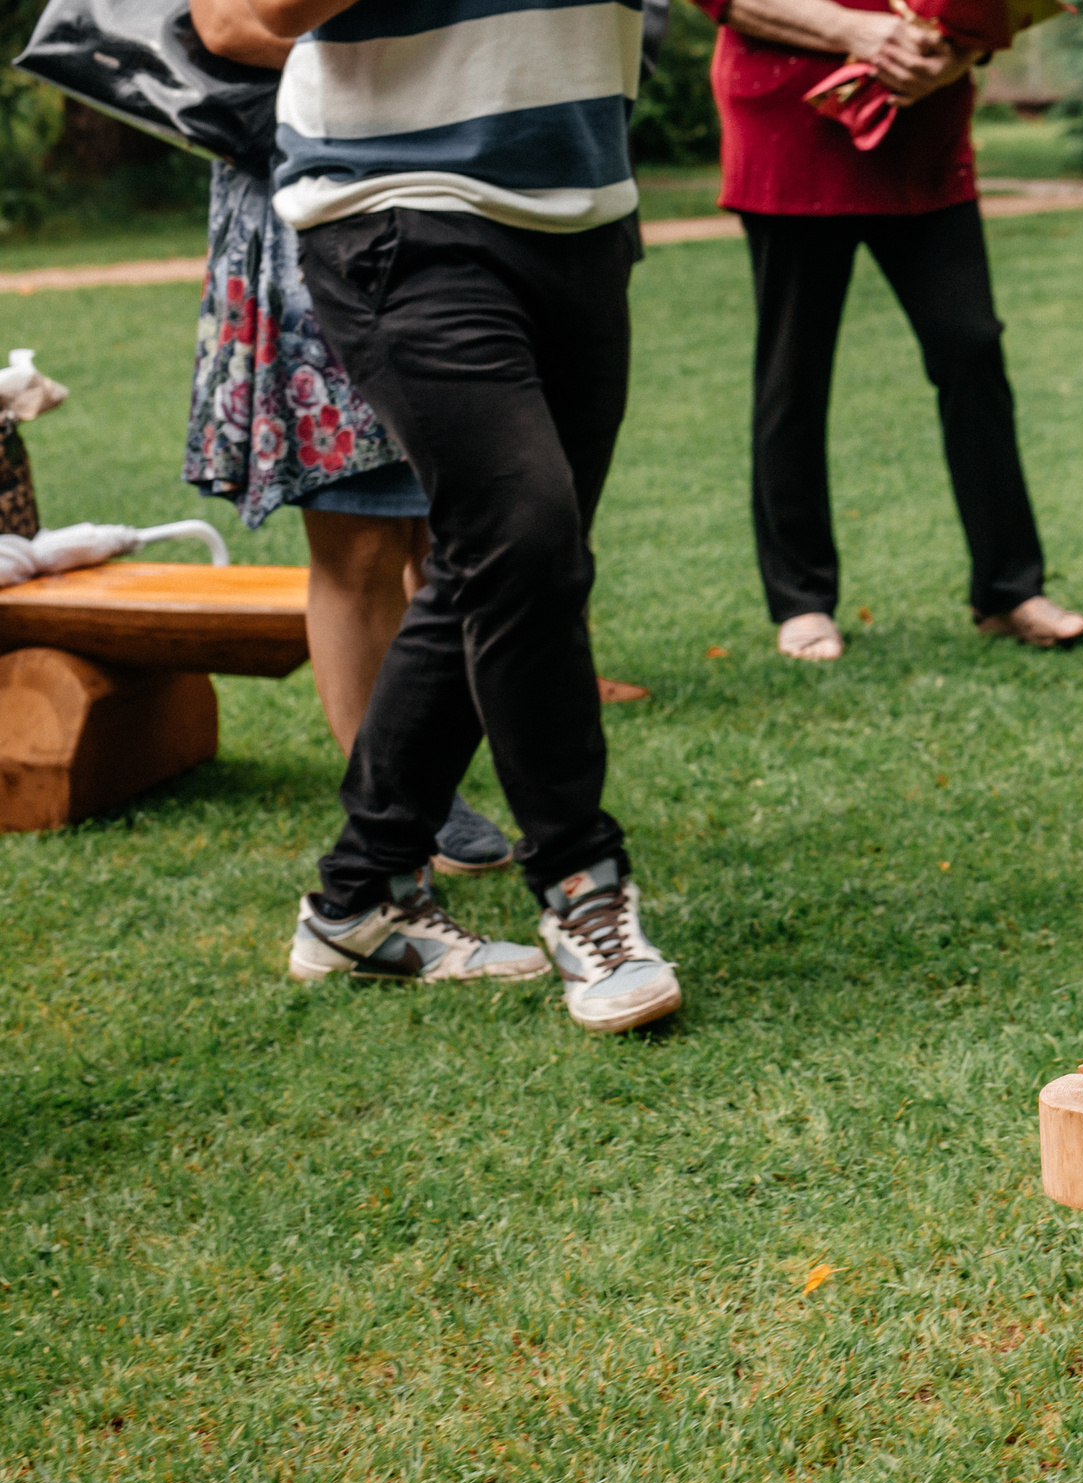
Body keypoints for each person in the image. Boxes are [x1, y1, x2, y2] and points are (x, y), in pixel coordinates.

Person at [250, 0, 682, 1033]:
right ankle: (583, 885)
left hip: (581, 208)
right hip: (398, 207)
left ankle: (357, 898)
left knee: (500, 558)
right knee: (523, 536)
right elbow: (237, 19)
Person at [184, 0, 513, 873]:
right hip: (319, 200)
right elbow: (224, 25)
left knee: (449, 529)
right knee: (361, 533)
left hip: (450, 196)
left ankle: (425, 775)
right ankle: (398, 803)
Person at [692, 0, 1083, 660]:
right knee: (795, 370)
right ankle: (802, 601)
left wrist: (952, 53)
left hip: (922, 128)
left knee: (972, 346)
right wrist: (858, 32)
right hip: (791, 123)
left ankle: (1008, 589)